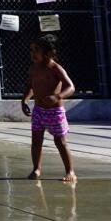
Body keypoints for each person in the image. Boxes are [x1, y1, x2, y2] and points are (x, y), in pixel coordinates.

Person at [22, 34, 77, 183]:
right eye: (31, 50)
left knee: (60, 142)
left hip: (54, 112)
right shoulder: (33, 68)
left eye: (36, 50)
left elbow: (71, 87)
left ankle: (70, 171)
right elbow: (30, 86)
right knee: (36, 141)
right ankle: (36, 169)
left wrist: (58, 97)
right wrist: (25, 100)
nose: (32, 53)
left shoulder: (55, 68)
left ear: (48, 53)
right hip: (38, 111)